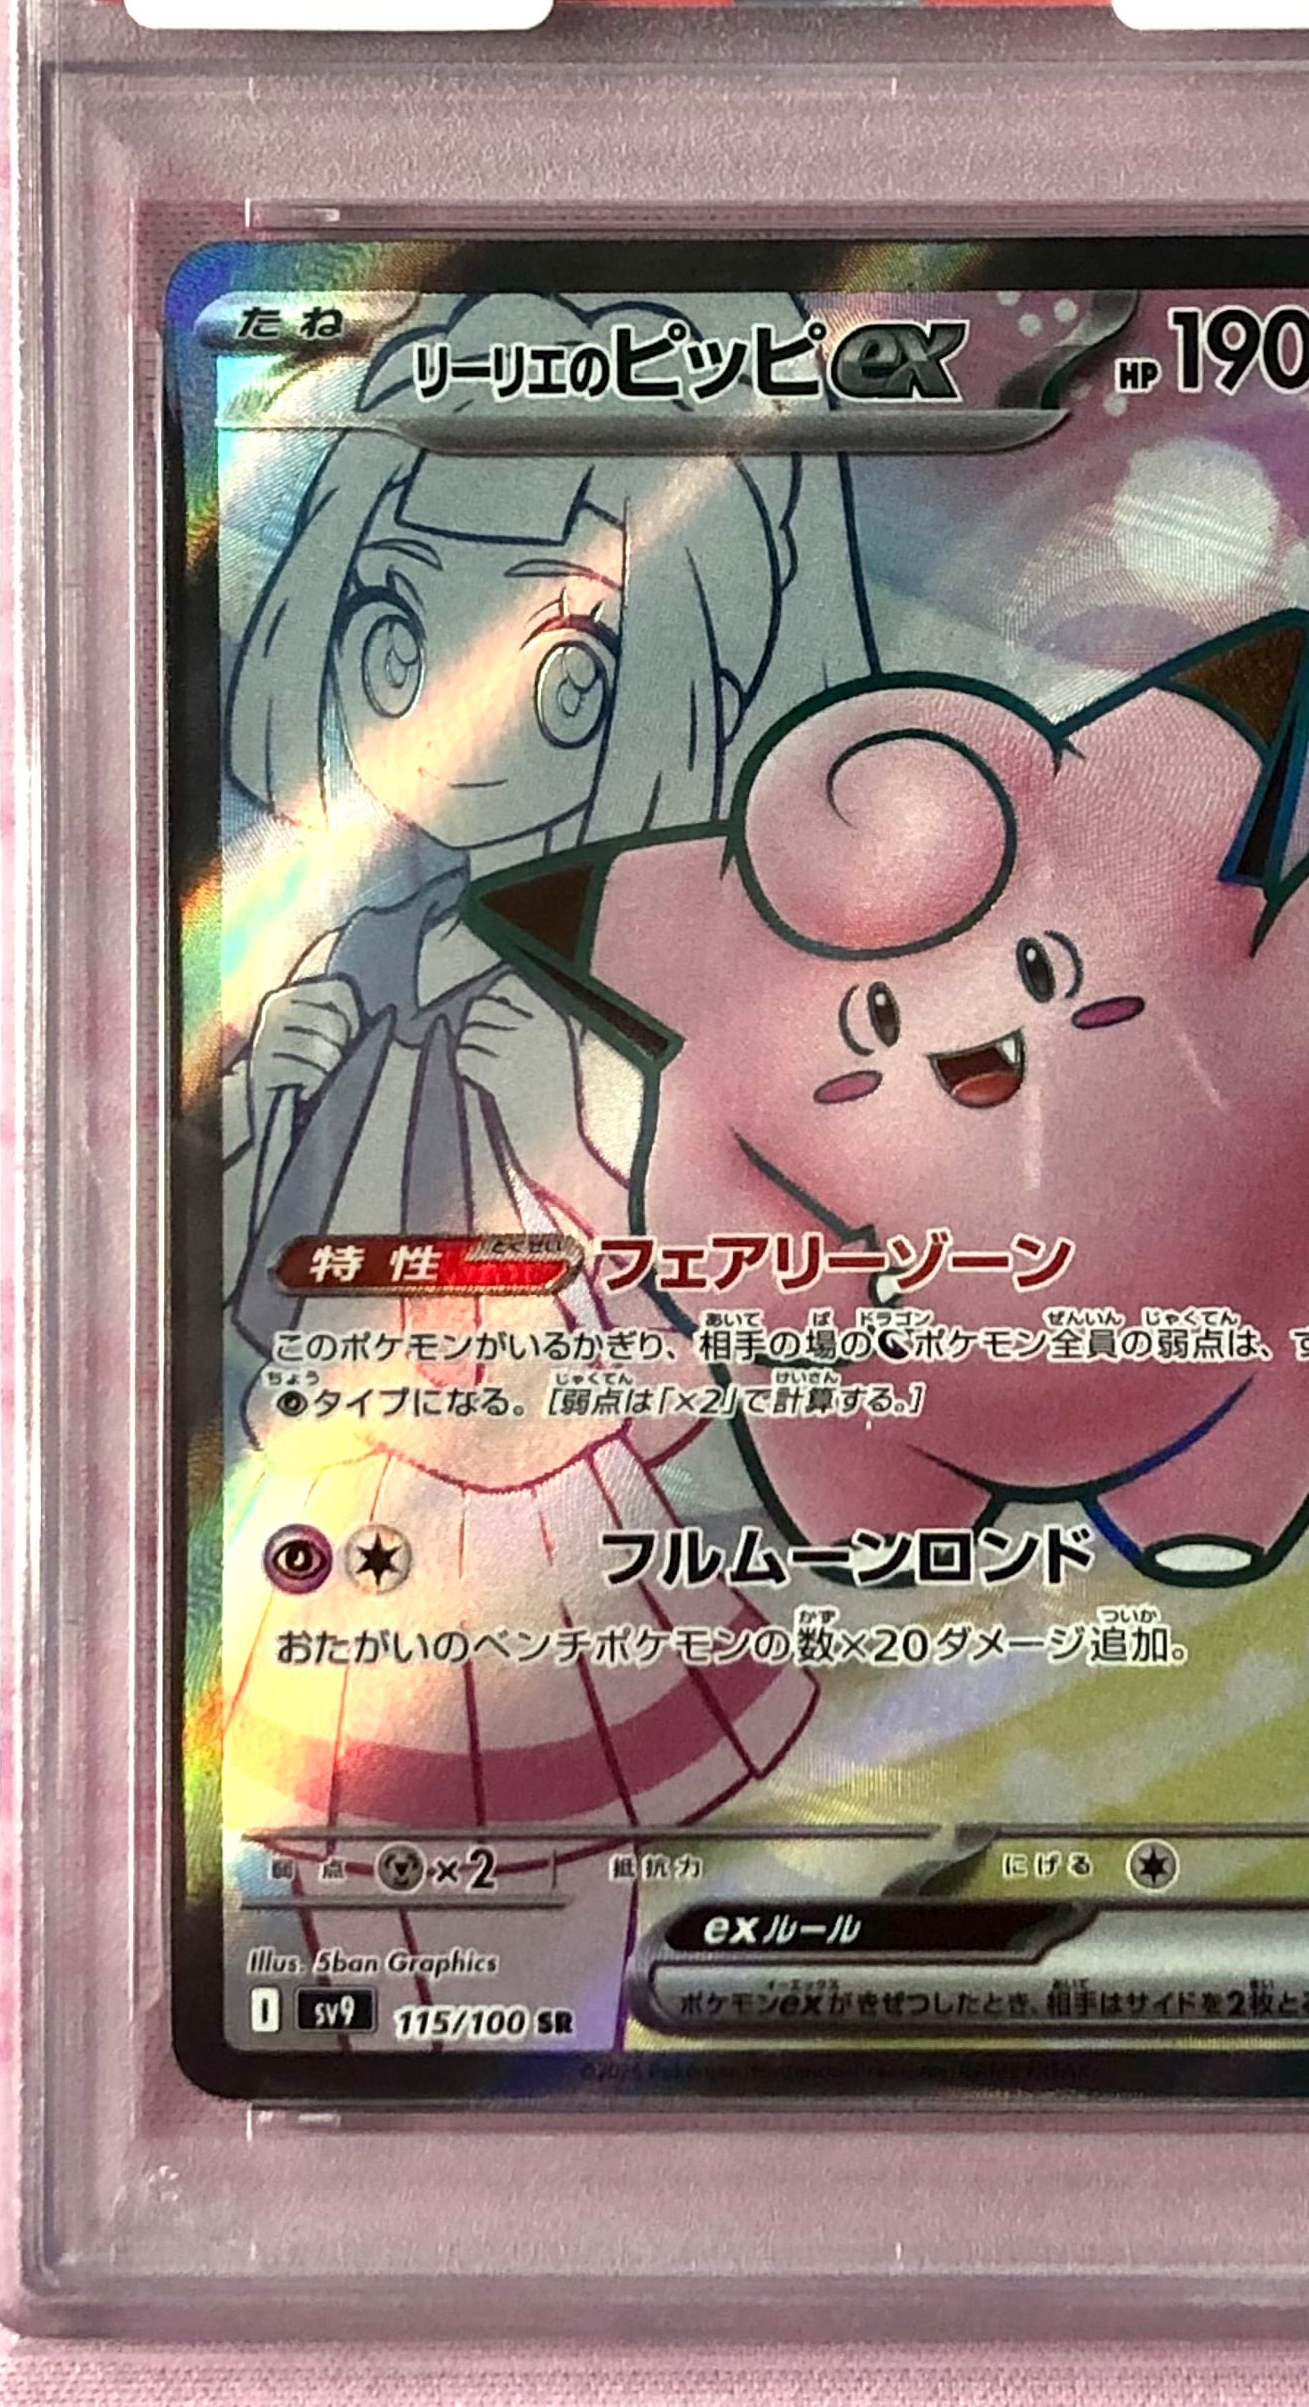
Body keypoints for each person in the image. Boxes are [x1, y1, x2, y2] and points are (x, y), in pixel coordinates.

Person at [204, 290, 872, 2041]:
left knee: (548, 1909)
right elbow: (267, 1298)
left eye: (562, 675)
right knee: (320, 1927)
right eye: (394, 637)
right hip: (334, 1526)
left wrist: (576, 1140)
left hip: (528, 1529)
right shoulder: (353, 964)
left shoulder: (613, 1005)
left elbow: (691, 1320)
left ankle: (552, 2084)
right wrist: (276, 1106)